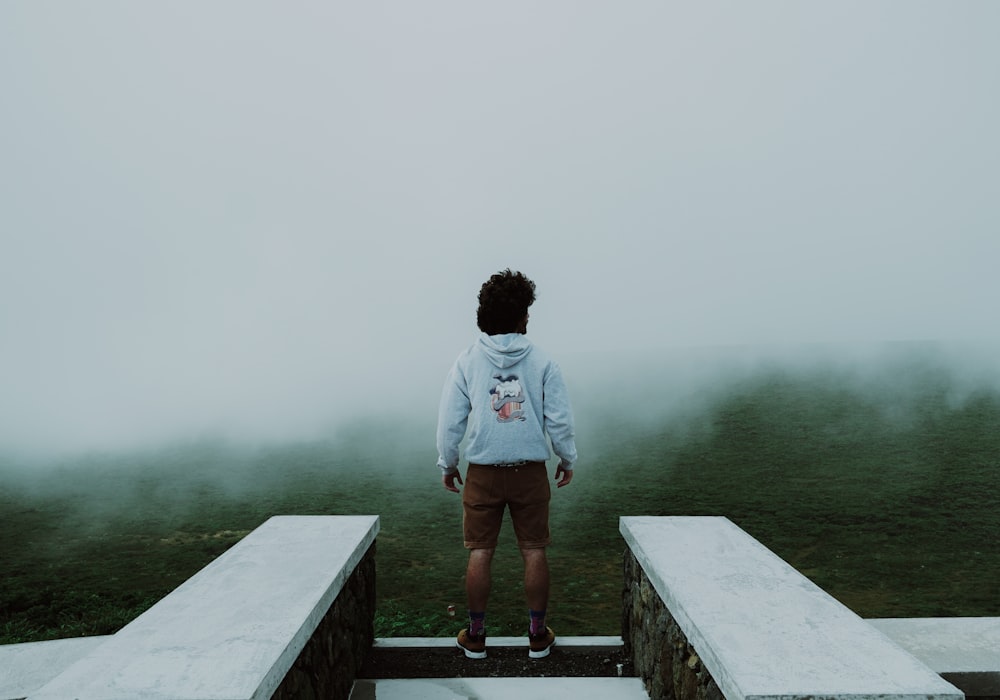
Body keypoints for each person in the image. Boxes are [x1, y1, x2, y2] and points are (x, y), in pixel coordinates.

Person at [436, 269, 577, 660]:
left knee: (480, 552)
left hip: (482, 471)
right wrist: (567, 457)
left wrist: (448, 463)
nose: (529, 319)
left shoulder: (466, 361)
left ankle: (477, 636)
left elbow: (451, 420)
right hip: (530, 470)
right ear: (519, 315)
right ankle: (536, 634)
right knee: (534, 550)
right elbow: (559, 419)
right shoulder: (544, 361)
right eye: (527, 311)